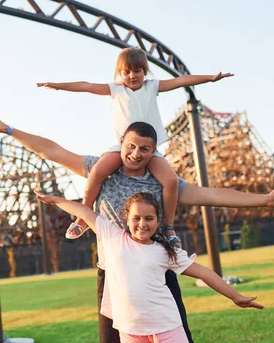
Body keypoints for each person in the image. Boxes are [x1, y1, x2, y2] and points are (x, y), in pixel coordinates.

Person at [0, 112, 274, 343]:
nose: (135, 154)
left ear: (153, 151)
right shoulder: (100, 169)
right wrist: (9, 130)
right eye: (130, 146)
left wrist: (265, 200)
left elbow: (214, 194)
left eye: (144, 149)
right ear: (121, 143)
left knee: (176, 335)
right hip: (113, 272)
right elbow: (53, 150)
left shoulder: (164, 182)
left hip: (157, 269)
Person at [37, 47, 234, 244]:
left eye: (137, 71)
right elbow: (87, 86)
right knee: (97, 171)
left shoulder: (152, 87)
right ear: (119, 73)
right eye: (126, 72)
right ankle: (83, 215)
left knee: (171, 181)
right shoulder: (116, 89)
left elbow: (181, 81)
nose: (132, 76)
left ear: (145, 71)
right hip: (124, 148)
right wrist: (59, 86)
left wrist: (210, 78)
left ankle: (169, 228)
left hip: (149, 149)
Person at [35, 190, 264, 343]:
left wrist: (235, 296)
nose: (142, 224)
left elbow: (203, 272)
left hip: (167, 325)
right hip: (131, 330)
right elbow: (84, 211)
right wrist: (54, 200)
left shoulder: (165, 250)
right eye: (137, 218)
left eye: (149, 218)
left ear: (158, 220)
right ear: (127, 218)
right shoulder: (112, 236)